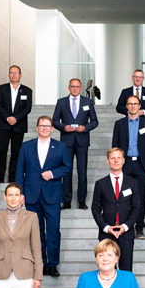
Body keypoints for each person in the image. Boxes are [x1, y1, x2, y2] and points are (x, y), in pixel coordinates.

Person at [16, 116, 72, 277]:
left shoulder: (60, 147)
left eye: (48, 126)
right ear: (37, 127)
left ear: (52, 128)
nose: (45, 128)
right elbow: (20, 171)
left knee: (53, 230)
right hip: (32, 195)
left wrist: (53, 173)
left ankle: (52, 264)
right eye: (42, 125)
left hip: (52, 195)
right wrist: (20, 193)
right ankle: (39, 264)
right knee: (36, 231)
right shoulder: (26, 146)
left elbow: (68, 167)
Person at [112, 96, 145, 239]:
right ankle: (125, 226)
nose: (132, 106)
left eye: (135, 104)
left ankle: (140, 228)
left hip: (141, 166)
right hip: (124, 165)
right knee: (123, 197)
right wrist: (115, 166)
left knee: (140, 198)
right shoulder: (119, 124)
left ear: (139, 106)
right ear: (126, 106)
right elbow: (115, 147)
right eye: (130, 104)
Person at [91, 148, 141, 271]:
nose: (116, 161)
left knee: (126, 270)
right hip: (106, 234)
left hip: (126, 233)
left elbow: (137, 207)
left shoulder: (132, 183)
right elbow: (95, 208)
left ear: (124, 160)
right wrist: (106, 228)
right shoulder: (100, 184)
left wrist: (126, 226)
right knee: (106, 269)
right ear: (108, 161)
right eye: (113, 158)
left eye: (119, 158)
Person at [52, 78, 98, 210]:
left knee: (82, 172)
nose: (75, 89)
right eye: (72, 86)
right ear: (68, 87)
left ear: (81, 88)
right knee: (66, 171)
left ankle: (81, 200)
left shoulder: (88, 102)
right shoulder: (61, 102)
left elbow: (94, 121)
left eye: (77, 86)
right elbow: (55, 120)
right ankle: (66, 200)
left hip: (82, 140)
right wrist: (63, 127)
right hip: (66, 141)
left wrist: (85, 127)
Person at [0, 65, 33, 184]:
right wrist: (7, 117)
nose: (14, 74)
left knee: (16, 152)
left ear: (21, 75)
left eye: (16, 72)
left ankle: (13, 178)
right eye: (11, 72)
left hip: (19, 125)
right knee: (2, 150)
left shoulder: (27, 90)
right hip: (4, 125)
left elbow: (27, 108)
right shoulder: (2, 88)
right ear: (8, 75)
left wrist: (16, 118)